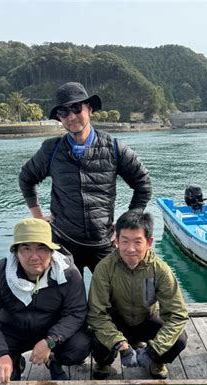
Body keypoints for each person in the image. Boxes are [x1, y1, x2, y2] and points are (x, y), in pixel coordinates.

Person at [19, 81, 152, 275]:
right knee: (70, 303)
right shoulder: (51, 150)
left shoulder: (114, 148)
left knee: (111, 300)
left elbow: (143, 184)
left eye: (76, 108)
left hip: (104, 242)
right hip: (64, 244)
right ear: (59, 118)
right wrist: (38, 217)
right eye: (63, 112)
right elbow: (26, 178)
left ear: (89, 109)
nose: (71, 116)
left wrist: (126, 224)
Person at [0, 218, 91, 384]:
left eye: (41, 248)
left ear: (52, 251)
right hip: (12, 331)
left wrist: (51, 341)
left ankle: (54, 360)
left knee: (80, 346)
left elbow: (76, 312)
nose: (34, 256)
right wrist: (1, 354)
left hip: (50, 329)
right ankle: (14, 362)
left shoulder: (69, 274)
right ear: (16, 251)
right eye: (26, 248)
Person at [87, 210, 188, 380]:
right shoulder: (104, 268)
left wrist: (154, 349)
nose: (130, 249)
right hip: (116, 319)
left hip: (146, 318)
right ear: (116, 240)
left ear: (149, 242)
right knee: (95, 336)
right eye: (124, 241)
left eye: (138, 242)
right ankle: (104, 362)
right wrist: (120, 343)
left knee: (179, 339)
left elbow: (177, 315)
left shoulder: (160, 270)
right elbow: (97, 314)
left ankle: (157, 361)